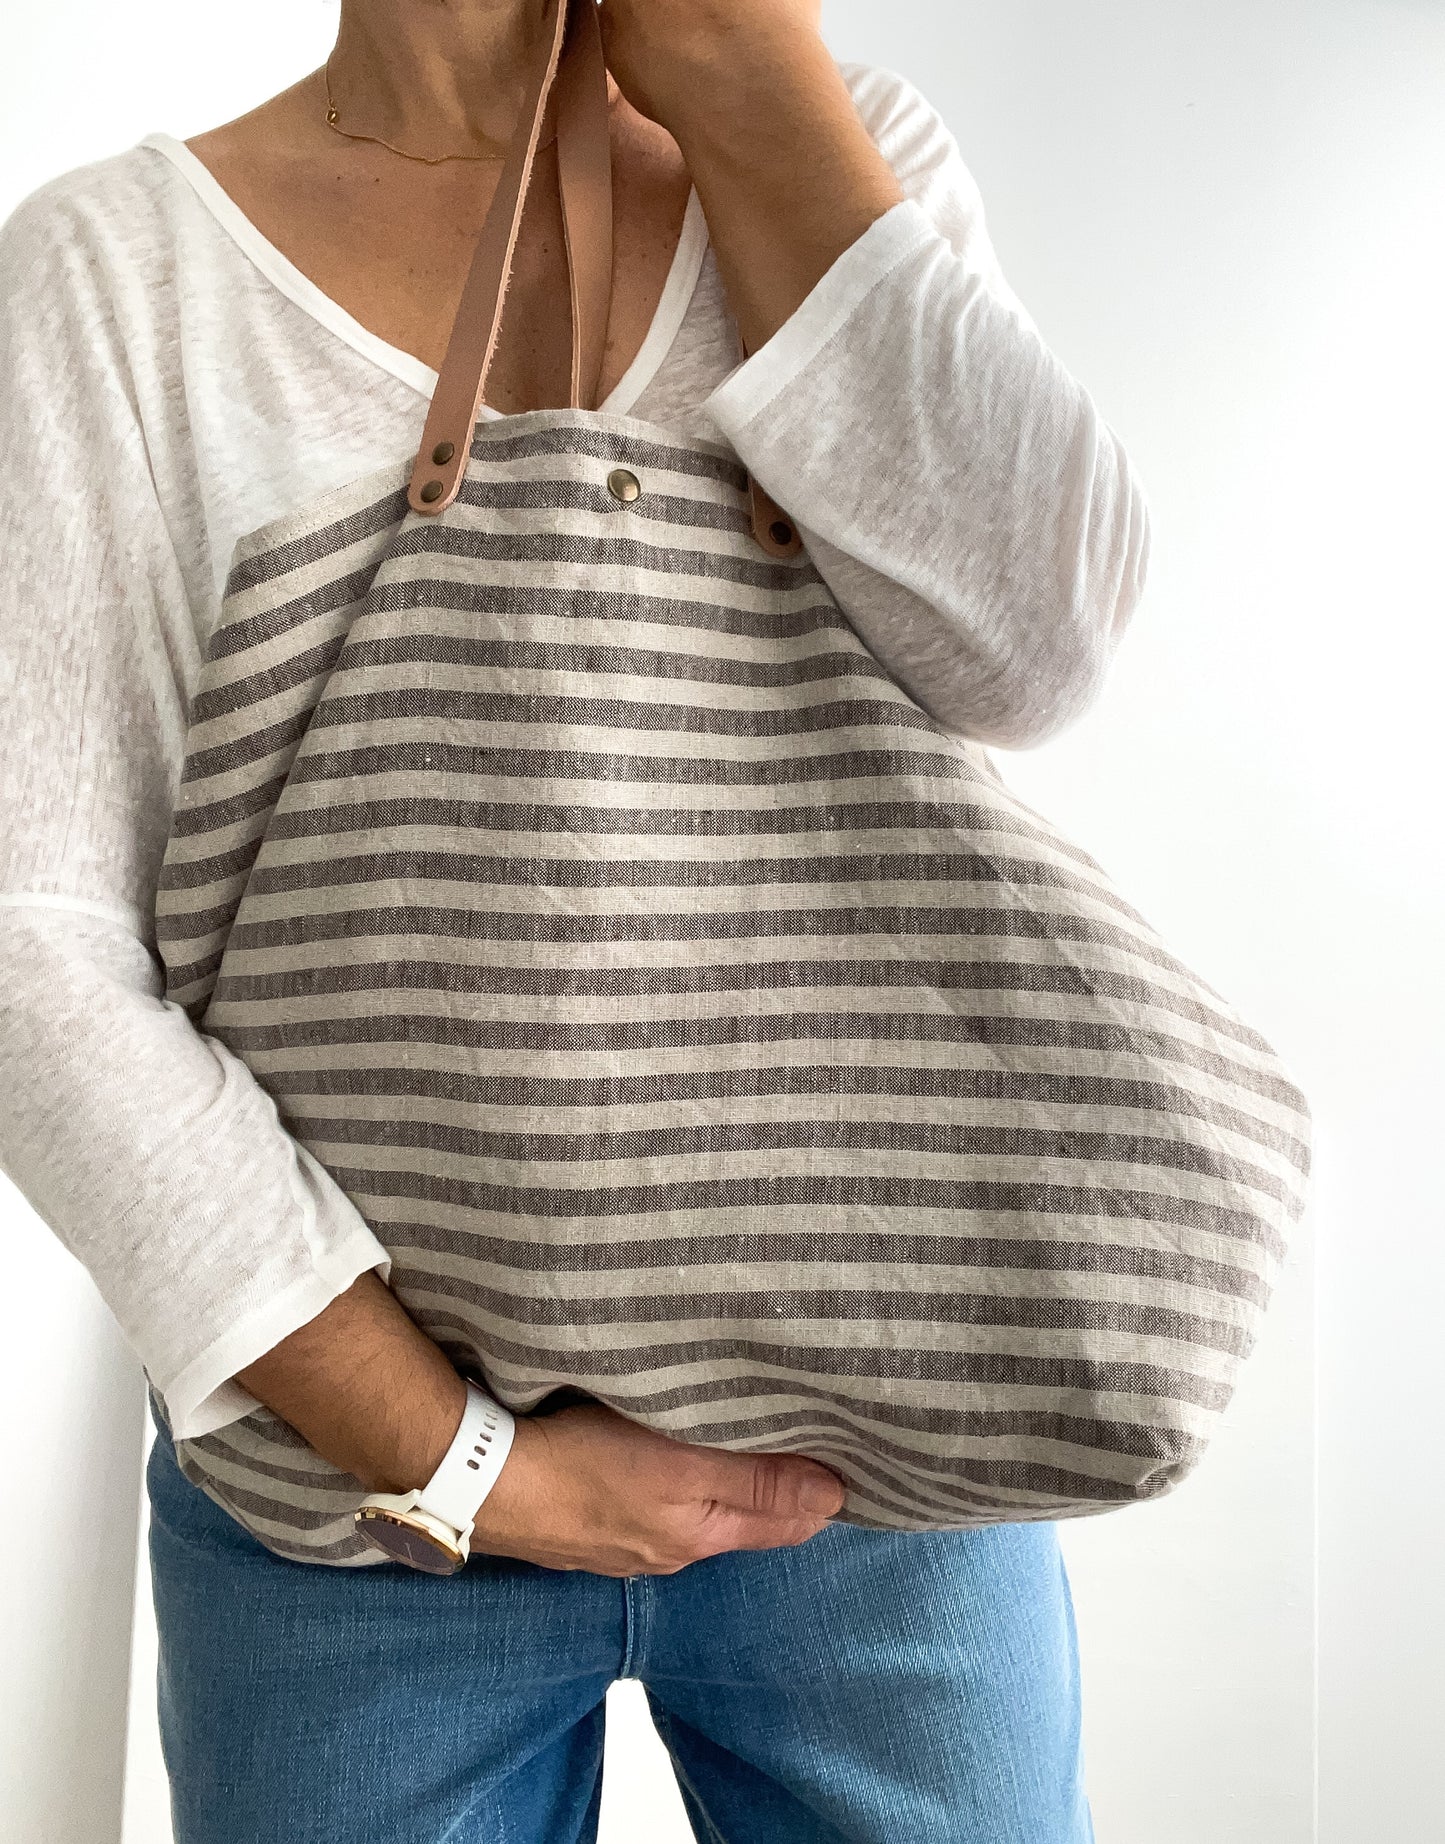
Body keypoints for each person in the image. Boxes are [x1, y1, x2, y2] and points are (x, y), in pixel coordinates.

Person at [0, 1, 1149, 1837]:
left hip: (865, 1460)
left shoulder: (846, 163)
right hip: (349, 1503)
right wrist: (461, 1463)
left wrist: (754, 87)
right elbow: (31, 950)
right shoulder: (115, 277)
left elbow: (1040, 649)